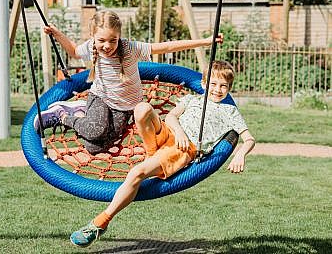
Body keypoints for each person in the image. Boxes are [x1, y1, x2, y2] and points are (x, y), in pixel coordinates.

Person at [69, 60, 256, 247]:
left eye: (223, 86)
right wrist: (179, 132)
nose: (217, 89)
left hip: (181, 149)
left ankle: (100, 223)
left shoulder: (229, 111)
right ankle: (152, 153)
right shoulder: (192, 99)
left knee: (136, 173)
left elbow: (249, 139)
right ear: (204, 84)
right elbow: (172, 116)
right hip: (168, 131)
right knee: (142, 108)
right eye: (213, 84)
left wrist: (240, 154)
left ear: (229, 88)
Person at [34, 10, 223, 154]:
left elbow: (167, 46)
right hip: (100, 97)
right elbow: (74, 52)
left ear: (119, 37)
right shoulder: (91, 47)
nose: (107, 46)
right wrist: (57, 34)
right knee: (95, 130)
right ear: (93, 37)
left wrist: (205, 42)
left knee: (94, 147)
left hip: (124, 107)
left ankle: (83, 113)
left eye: (112, 40)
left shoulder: (130, 49)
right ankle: (63, 115)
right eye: (101, 40)